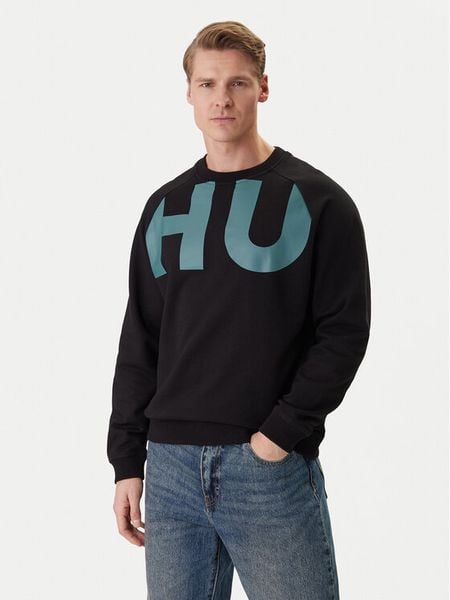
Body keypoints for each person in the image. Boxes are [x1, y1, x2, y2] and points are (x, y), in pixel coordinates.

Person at [106, 20, 371, 600]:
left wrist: (279, 435)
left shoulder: (319, 201)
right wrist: (126, 460)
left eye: (237, 83)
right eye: (207, 84)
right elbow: (141, 337)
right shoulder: (165, 205)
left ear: (263, 88)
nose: (221, 99)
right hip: (170, 470)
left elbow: (344, 332)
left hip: (267, 470)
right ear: (189, 93)